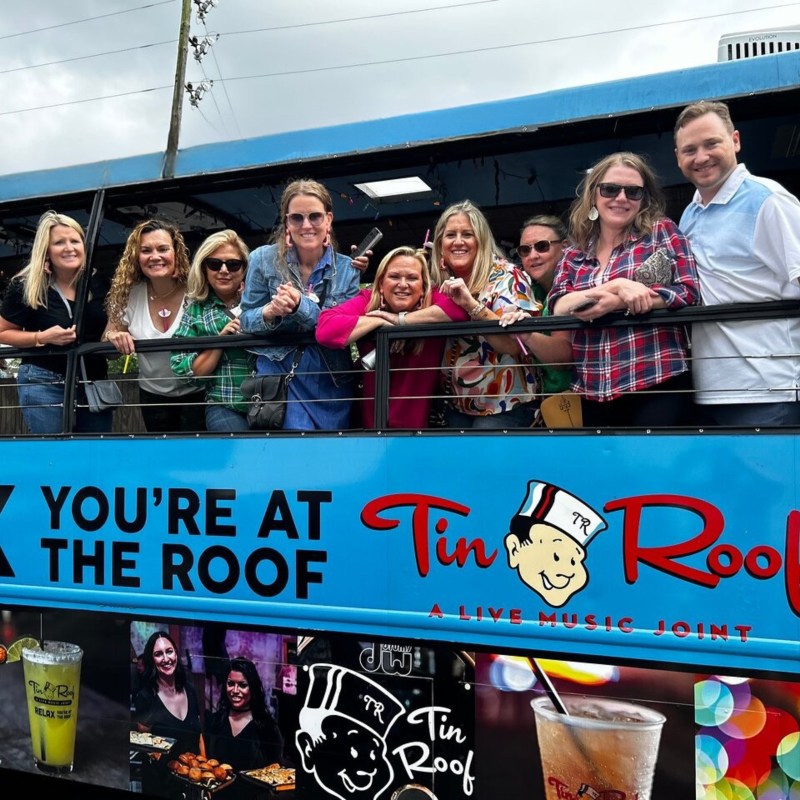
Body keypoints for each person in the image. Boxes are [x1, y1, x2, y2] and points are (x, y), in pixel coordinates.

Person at [549, 152, 700, 427]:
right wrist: (617, 286)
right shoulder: (574, 252)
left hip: (657, 379)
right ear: (593, 194)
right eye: (610, 189)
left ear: (644, 199)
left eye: (633, 192)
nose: (621, 198)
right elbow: (558, 305)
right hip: (594, 387)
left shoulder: (661, 232)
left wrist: (619, 302)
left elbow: (689, 290)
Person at [674, 100, 800, 426]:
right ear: (678, 157)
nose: (701, 157)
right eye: (689, 150)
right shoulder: (690, 213)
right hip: (712, 390)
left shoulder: (768, 200)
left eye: (711, 143)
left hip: (769, 391)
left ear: (735, 141)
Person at [240, 179, 364, 430]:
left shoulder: (348, 268)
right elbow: (245, 319)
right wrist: (270, 312)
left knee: (330, 450)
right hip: (279, 376)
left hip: (331, 379)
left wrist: (300, 305)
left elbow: (338, 329)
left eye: (315, 216)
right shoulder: (261, 259)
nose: (306, 225)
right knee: (292, 445)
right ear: (287, 222)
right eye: (297, 218)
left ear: (328, 220)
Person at [315, 245, 469, 428]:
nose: (402, 284)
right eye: (394, 276)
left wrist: (401, 321)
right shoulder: (368, 301)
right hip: (373, 429)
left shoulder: (433, 300)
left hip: (420, 433)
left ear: (423, 287)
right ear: (381, 284)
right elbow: (325, 329)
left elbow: (462, 309)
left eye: (412, 278)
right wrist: (379, 321)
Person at [0, 211, 113, 433]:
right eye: (59, 242)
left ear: (84, 246)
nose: (69, 248)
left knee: (94, 449)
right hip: (43, 379)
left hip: (93, 379)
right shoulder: (27, 286)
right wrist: (42, 337)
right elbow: (3, 332)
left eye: (75, 241)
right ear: (46, 250)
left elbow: (114, 323)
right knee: (53, 449)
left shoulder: (99, 282)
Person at [433, 200, 541, 428]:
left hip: (504, 403)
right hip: (455, 404)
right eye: (451, 235)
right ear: (440, 245)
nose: (458, 241)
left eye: (467, 234)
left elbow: (513, 346)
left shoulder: (507, 276)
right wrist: (398, 319)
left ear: (481, 241)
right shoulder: (437, 282)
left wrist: (472, 306)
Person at [104, 219, 207, 432]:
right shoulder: (128, 295)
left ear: (176, 253)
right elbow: (107, 345)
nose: (155, 256)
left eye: (162, 249)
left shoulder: (197, 290)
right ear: (136, 257)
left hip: (200, 393)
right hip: (153, 398)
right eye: (146, 250)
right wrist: (113, 337)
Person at [171, 230, 254, 432]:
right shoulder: (196, 311)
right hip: (224, 404)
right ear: (204, 269)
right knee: (236, 448)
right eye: (215, 264)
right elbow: (184, 369)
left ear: (245, 269)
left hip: (271, 402)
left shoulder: (261, 301)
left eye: (233, 264)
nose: (224, 270)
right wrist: (220, 341)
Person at [505, 215, 574, 399]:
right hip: (545, 401)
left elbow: (564, 358)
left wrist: (526, 333)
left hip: (583, 400)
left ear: (565, 247)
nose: (533, 256)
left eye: (542, 246)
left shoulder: (578, 284)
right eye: (525, 250)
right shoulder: (528, 292)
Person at [205, 657, 283, 798]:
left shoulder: (266, 727)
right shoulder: (215, 721)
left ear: (252, 687)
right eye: (230, 684)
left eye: (242, 685)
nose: (235, 690)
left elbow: (276, 773)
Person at [133, 630, 202, 759]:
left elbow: (199, 737)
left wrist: (205, 764)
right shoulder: (146, 697)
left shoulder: (190, 690)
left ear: (175, 653)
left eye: (169, 651)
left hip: (192, 770)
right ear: (152, 660)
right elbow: (146, 750)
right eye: (158, 654)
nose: (166, 659)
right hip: (162, 771)